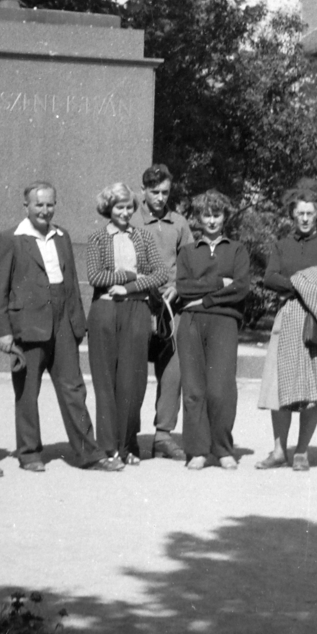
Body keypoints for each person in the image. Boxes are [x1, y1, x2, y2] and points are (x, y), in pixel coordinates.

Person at [0, 181, 102, 472]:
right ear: (25, 206)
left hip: (63, 322)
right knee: (27, 392)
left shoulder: (62, 236)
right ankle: (29, 453)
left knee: (74, 389)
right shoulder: (10, 238)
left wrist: (78, 324)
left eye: (50, 204)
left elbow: (72, 283)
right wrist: (2, 330)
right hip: (27, 325)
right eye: (38, 204)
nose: (45, 210)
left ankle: (88, 452)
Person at [256, 190, 317, 471]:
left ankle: (301, 450)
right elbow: (270, 277)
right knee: (279, 385)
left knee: (313, 385)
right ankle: (278, 450)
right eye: (300, 213)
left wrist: (293, 282)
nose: (305, 218)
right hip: (287, 317)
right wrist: (306, 281)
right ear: (292, 215)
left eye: (310, 213)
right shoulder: (282, 245)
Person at [84, 182, 169, 468]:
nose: (124, 212)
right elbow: (95, 277)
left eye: (129, 207)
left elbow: (161, 273)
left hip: (137, 310)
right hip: (104, 312)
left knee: (133, 382)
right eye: (119, 207)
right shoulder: (97, 238)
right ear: (108, 208)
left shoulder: (143, 236)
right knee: (105, 382)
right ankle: (108, 448)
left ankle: (128, 444)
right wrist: (128, 275)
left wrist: (131, 286)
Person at [175, 190, 252, 471]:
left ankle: (222, 449)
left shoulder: (237, 250)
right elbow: (183, 287)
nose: (211, 220)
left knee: (220, 389)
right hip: (192, 321)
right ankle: (197, 450)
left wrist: (206, 295)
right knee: (194, 388)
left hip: (224, 321)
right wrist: (221, 282)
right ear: (197, 218)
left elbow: (241, 287)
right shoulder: (187, 252)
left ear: (224, 217)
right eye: (206, 215)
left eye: (216, 214)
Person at [138, 163, 193, 461]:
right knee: (132, 373)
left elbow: (190, 266)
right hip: (139, 306)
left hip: (173, 309)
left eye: (165, 192)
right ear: (143, 191)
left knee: (173, 372)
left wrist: (180, 288)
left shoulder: (180, 224)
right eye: (154, 192)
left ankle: (163, 435)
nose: (160, 198)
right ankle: (126, 437)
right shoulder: (130, 220)